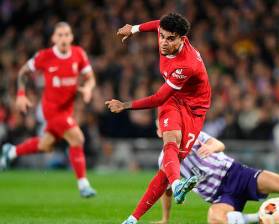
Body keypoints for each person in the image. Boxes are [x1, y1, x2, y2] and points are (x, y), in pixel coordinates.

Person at [106, 12, 211, 223]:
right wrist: (134, 28)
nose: (163, 42)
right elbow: (157, 24)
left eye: (170, 38)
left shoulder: (187, 64)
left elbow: (157, 98)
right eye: (161, 36)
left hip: (194, 109)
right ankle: (177, 185)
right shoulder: (165, 33)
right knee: (170, 139)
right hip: (174, 99)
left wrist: (124, 105)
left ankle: (133, 218)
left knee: (166, 169)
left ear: (182, 39)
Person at [155, 131, 279, 224]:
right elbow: (168, 190)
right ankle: (262, 218)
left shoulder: (193, 135)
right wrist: (165, 218)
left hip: (237, 174)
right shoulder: (164, 160)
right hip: (221, 196)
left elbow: (218, 144)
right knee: (214, 218)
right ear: (159, 133)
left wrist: (213, 147)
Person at [0, 22, 97, 198]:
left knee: (46, 145)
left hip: (68, 109)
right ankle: (83, 185)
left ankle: (11, 151)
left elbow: (90, 78)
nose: (63, 38)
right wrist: (21, 94)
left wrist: (88, 88)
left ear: (71, 37)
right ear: (53, 38)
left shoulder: (79, 54)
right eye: (59, 35)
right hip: (51, 109)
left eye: (67, 34)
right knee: (77, 138)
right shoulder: (45, 56)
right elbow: (23, 72)